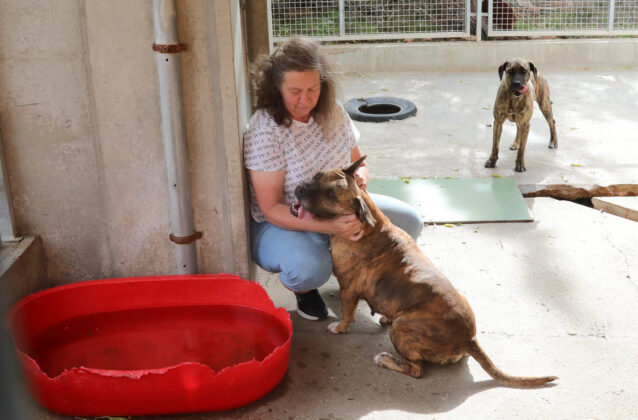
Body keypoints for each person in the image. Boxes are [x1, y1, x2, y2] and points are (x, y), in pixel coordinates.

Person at [244, 37, 423, 321]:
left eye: (313, 89)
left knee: (409, 222)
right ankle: (305, 289)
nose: (305, 99)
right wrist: (331, 226)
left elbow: (359, 163)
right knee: (309, 268)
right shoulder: (265, 129)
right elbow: (270, 209)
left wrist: (360, 184)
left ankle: (364, 275)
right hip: (284, 221)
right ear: (276, 88)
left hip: (337, 208)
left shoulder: (335, 111)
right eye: (295, 91)